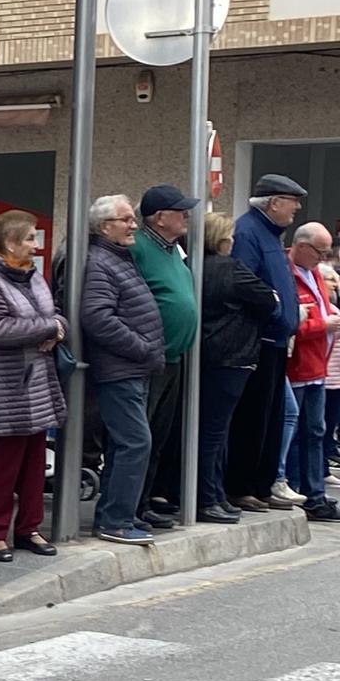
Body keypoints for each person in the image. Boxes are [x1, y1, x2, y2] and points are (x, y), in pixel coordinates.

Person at [0, 211, 67, 562]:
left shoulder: (34, 277)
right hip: (7, 384)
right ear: (10, 243)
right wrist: (46, 328)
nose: (36, 246)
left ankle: (29, 529)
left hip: (38, 382)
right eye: (30, 239)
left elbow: (55, 314)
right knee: (4, 464)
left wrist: (56, 325)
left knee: (34, 461)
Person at [80, 195, 166, 545]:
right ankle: (115, 520)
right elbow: (97, 317)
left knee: (125, 444)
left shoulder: (117, 257)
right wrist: (141, 348)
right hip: (121, 369)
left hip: (133, 368)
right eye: (126, 219)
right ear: (104, 227)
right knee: (135, 442)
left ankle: (116, 516)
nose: (134, 225)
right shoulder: (101, 261)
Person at [226, 174, 307, 510]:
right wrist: (276, 312)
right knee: (252, 417)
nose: (297, 208)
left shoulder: (269, 233)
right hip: (258, 340)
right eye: (293, 201)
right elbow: (246, 284)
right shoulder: (249, 233)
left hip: (274, 341)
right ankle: (242, 485)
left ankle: (261, 485)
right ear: (274, 202)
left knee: (271, 416)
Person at [197, 210, 279, 524]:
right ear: (221, 238)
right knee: (215, 432)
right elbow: (269, 300)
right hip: (233, 356)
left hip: (207, 354)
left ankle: (214, 494)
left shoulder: (195, 267)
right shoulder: (232, 270)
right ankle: (209, 497)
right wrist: (272, 297)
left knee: (211, 430)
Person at [133, 185, 202, 527]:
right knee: (141, 435)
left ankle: (143, 502)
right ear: (160, 218)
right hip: (150, 356)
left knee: (159, 434)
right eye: (180, 211)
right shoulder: (140, 248)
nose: (187, 216)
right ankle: (129, 507)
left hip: (174, 356)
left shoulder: (174, 249)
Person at [286, 222, 340, 519]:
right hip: (299, 366)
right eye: (320, 251)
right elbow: (293, 323)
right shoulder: (290, 275)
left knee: (315, 432)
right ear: (302, 247)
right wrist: (324, 325)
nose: (323, 257)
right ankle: (298, 490)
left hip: (317, 365)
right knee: (297, 432)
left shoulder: (314, 273)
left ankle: (314, 491)